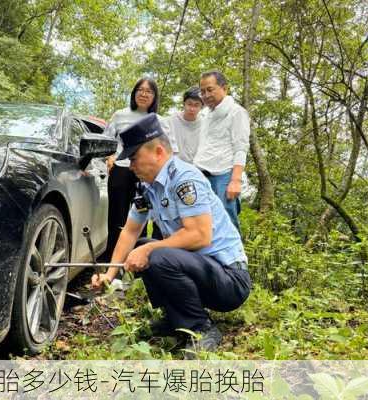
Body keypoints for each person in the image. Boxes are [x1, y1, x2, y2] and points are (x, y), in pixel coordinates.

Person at [92, 113, 251, 357]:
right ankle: (176, 319)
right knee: (146, 243)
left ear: (158, 152)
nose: (131, 166)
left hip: (230, 280)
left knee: (154, 253)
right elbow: (131, 231)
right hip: (201, 270)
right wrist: (110, 274)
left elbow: (200, 236)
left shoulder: (184, 179)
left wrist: (147, 250)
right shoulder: (148, 187)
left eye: (134, 158)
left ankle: (201, 329)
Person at [101, 78, 163, 261]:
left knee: (141, 217)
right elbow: (107, 140)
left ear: (154, 97)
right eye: (140, 90)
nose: (144, 94)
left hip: (145, 174)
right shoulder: (120, 115)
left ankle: (135, 262)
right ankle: (110, 261)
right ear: (134, 93)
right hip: (120, 169)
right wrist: (109, 156)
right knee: (116, 217)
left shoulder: (157, 120)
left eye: (149, 91)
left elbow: (164, 147)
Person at [193, 70, 250, 231]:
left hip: (224, 177)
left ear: (224, 88)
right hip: (202, 175)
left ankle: (235, 257)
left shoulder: (237, 112)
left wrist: (235, 181)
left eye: (210, 89)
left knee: (226, 224)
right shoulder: (205, 114)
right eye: (202, 91)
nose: (205, 95)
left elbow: (241, 148)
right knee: (203, 224)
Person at [163, 86, 203, 164]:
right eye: (189, 104)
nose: (192, 109)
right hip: (175, 164)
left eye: (196, 105)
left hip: (196, 167)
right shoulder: (171, 121)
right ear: (184, 104)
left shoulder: (204, 123)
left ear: (201, 106)